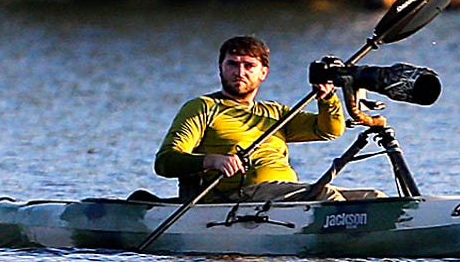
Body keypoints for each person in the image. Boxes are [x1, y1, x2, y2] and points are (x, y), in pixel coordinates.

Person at [153, 35, 383, 203]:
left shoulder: (275, 112)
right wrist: (212, 160)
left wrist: (326, 98)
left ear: (263, 73)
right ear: (220, 68)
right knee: (327, 196)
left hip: (283, 194)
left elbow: (329, 130)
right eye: (232, 64)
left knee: (374, 198)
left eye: (249, 66)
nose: (240, 72)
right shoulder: (203, 107)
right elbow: (165, 162)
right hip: (237, 198)